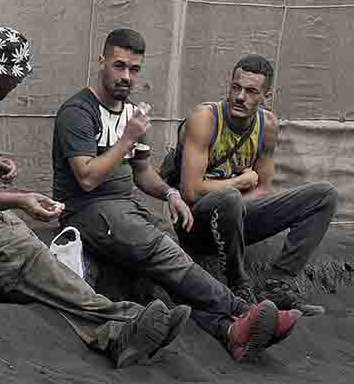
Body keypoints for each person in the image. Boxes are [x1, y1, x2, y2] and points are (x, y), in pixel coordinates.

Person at [0, 24, 188, 367]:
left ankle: (113, 337)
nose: (16, 85)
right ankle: (127, 317)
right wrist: (20, 199)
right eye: (13, 78)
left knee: (42, 272)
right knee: (34, 263)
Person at [53, 28, 297, 362]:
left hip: (126, 207)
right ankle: (243, 310)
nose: (127, 76)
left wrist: (170, 193)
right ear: (102, 63)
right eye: (119, 66)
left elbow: (142, 172)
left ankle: (230, 333)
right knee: (164, 253)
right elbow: (87, 178)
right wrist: (127, 138)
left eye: (134, 69)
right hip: (89, 210)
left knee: (167, 274)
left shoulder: (130, 112)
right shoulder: (78, 113)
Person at [168, 54, 337, 315]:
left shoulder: (267, 125)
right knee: (230, 198)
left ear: (266, 97)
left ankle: (278, 282)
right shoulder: (206, 118)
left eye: (250, 91)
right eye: (236, 87)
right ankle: (238, 285)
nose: (240, 97)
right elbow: (190, 191)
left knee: (324, 195)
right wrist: (237, 183)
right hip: (195, 223)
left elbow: (262, 188)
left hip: (236, 216)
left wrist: (237, 209)